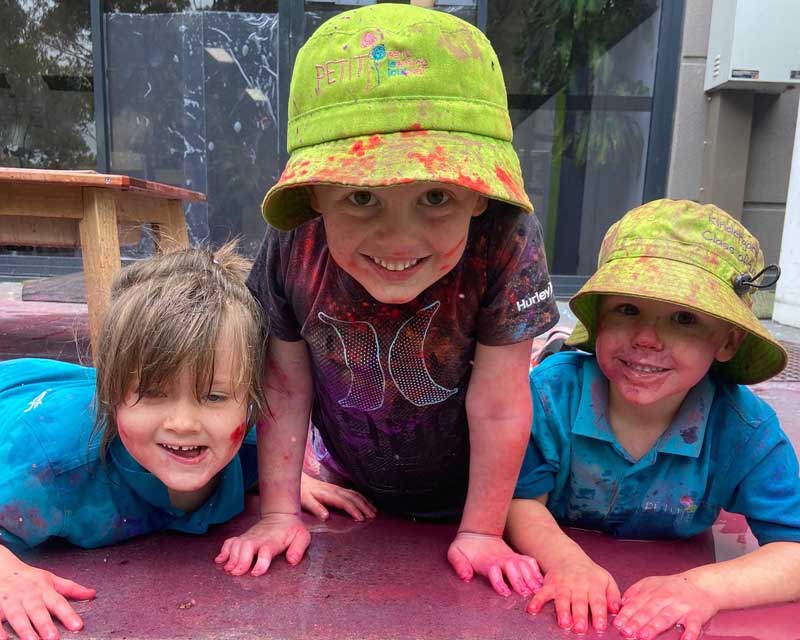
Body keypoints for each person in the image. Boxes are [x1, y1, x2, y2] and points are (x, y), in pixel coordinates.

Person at [215, 3, 559, 596]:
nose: (399, 239)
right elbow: (286, 385)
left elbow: (501, 402)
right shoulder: (294, 243)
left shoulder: (506, 237)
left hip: (473, 486)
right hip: (354, 478)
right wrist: (278, 512)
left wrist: (481, 530)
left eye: (434, 197)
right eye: (361, 197)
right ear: (316, 193)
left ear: (479, 197)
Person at [0, 242, 373, 640]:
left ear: (253, 402)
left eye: (213, 396)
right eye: (153, 394)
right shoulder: (47, 468)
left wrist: (277, 480)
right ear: (111, 395)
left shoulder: (247, 446)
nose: (183, 423)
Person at [506, 199, 800, 640]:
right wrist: (568, 563)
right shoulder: (550, 396)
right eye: (627, 310)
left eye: (684, 319)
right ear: (599, 317)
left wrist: (704, 587)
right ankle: (557, 343)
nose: (646, 339)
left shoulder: (745, 431)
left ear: (728, 341)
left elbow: (794, 551)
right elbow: (517, 498)